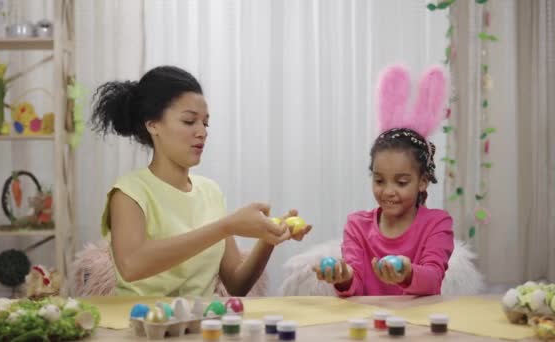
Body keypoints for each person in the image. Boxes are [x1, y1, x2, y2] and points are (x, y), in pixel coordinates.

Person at [91, 65, 311, 297]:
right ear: (153, 125)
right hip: (142, 325)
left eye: (205, 123)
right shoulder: (129, 192)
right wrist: (227, 226)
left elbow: (237, 283)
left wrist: (268, 238)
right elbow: (132, 265)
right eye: (189, 121)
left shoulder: (210, 191)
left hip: (201, 326)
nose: (202, 132)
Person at [314, 65, 453, 296]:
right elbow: (355, 279)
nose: (388, 191)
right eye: (379, 181)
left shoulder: (437, 224)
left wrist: (408, 273)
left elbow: (433, 279)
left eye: (401, 182)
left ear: (423, 181)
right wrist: (343, 276)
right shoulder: (357, 226)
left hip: (416, 325)